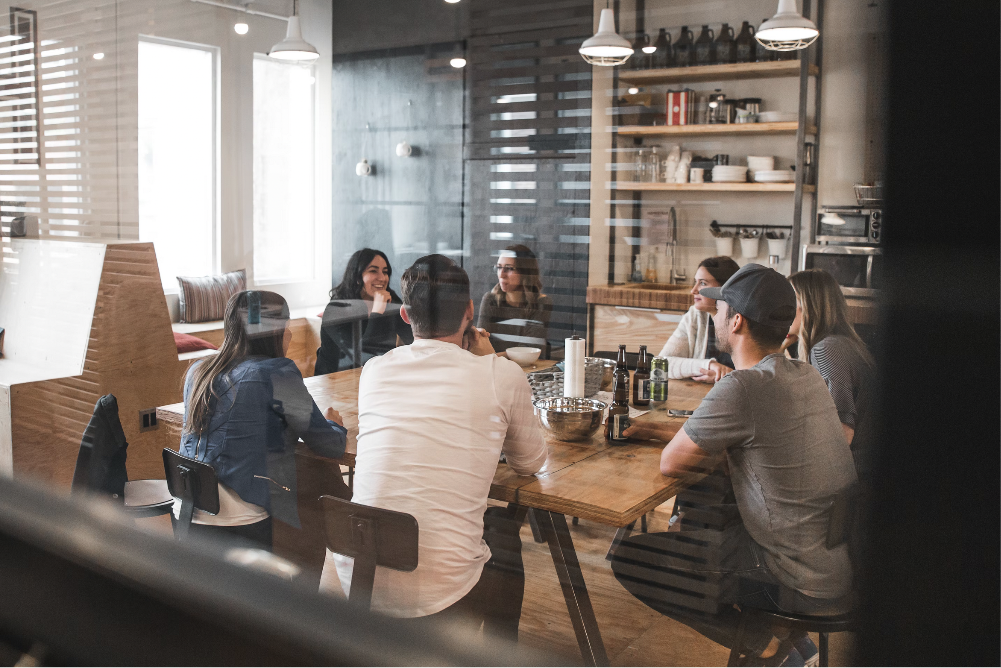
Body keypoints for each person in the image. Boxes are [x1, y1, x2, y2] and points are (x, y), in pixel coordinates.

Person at [611, 264, 858, 667]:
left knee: (633, 560)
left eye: (722, 307)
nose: (717, 314)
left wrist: (660, 438)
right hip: (831, 563)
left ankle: (767, 643)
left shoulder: (743, 386)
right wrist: (655, 432)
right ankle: (787, 644)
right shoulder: (803, 374)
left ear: (737, 321)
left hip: (790, 577)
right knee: (710, 508)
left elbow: (672, 463)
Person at [319, 254, 547, 639]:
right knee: (505, 538)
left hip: (359, 575)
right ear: (470, 312)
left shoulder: (375, 371)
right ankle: (499, 653)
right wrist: (491, 361)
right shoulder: (501, 374)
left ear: (405, 315)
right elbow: (530, 462)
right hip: (442, 594)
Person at [180, 291, 349, 550]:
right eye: (287, 325)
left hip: (188, 511)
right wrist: (334, 424)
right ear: (276, 330)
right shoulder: (276, 373)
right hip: (240, 521)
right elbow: (329, 445)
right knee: (318, 481)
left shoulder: (198, 371)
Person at [788, 269, 877, 480]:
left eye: (787, 301)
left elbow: (841, 433)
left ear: (806, 304)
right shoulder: (841, 342)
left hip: (854, 475)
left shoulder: (827, 349)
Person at [314, 248, 414, 374]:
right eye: (373, 271)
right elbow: (363, 357)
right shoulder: (336, 309)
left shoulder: (390, 300)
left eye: (385, 272)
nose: (382, 278)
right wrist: (377, 312)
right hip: (335, 381)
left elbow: (413, 338)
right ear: (357, 277)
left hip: (378, 375)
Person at [657, 256, 741, 383]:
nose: (693, 290)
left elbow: (758, 375)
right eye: (695, 282)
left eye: (702, 283)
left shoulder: (745, 320)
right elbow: (661, 364)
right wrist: (710, 365)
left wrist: (725, 377)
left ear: (725, 288)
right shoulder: (695, 316)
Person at [477, 244, 553, 353]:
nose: (501, 275)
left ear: (525, 273)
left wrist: (494, 357)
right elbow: (480, 343)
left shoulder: (541, 303)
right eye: (499, 267)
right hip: (495, 366)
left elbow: (528, 350)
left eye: (509, 268)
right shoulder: (491, 300)